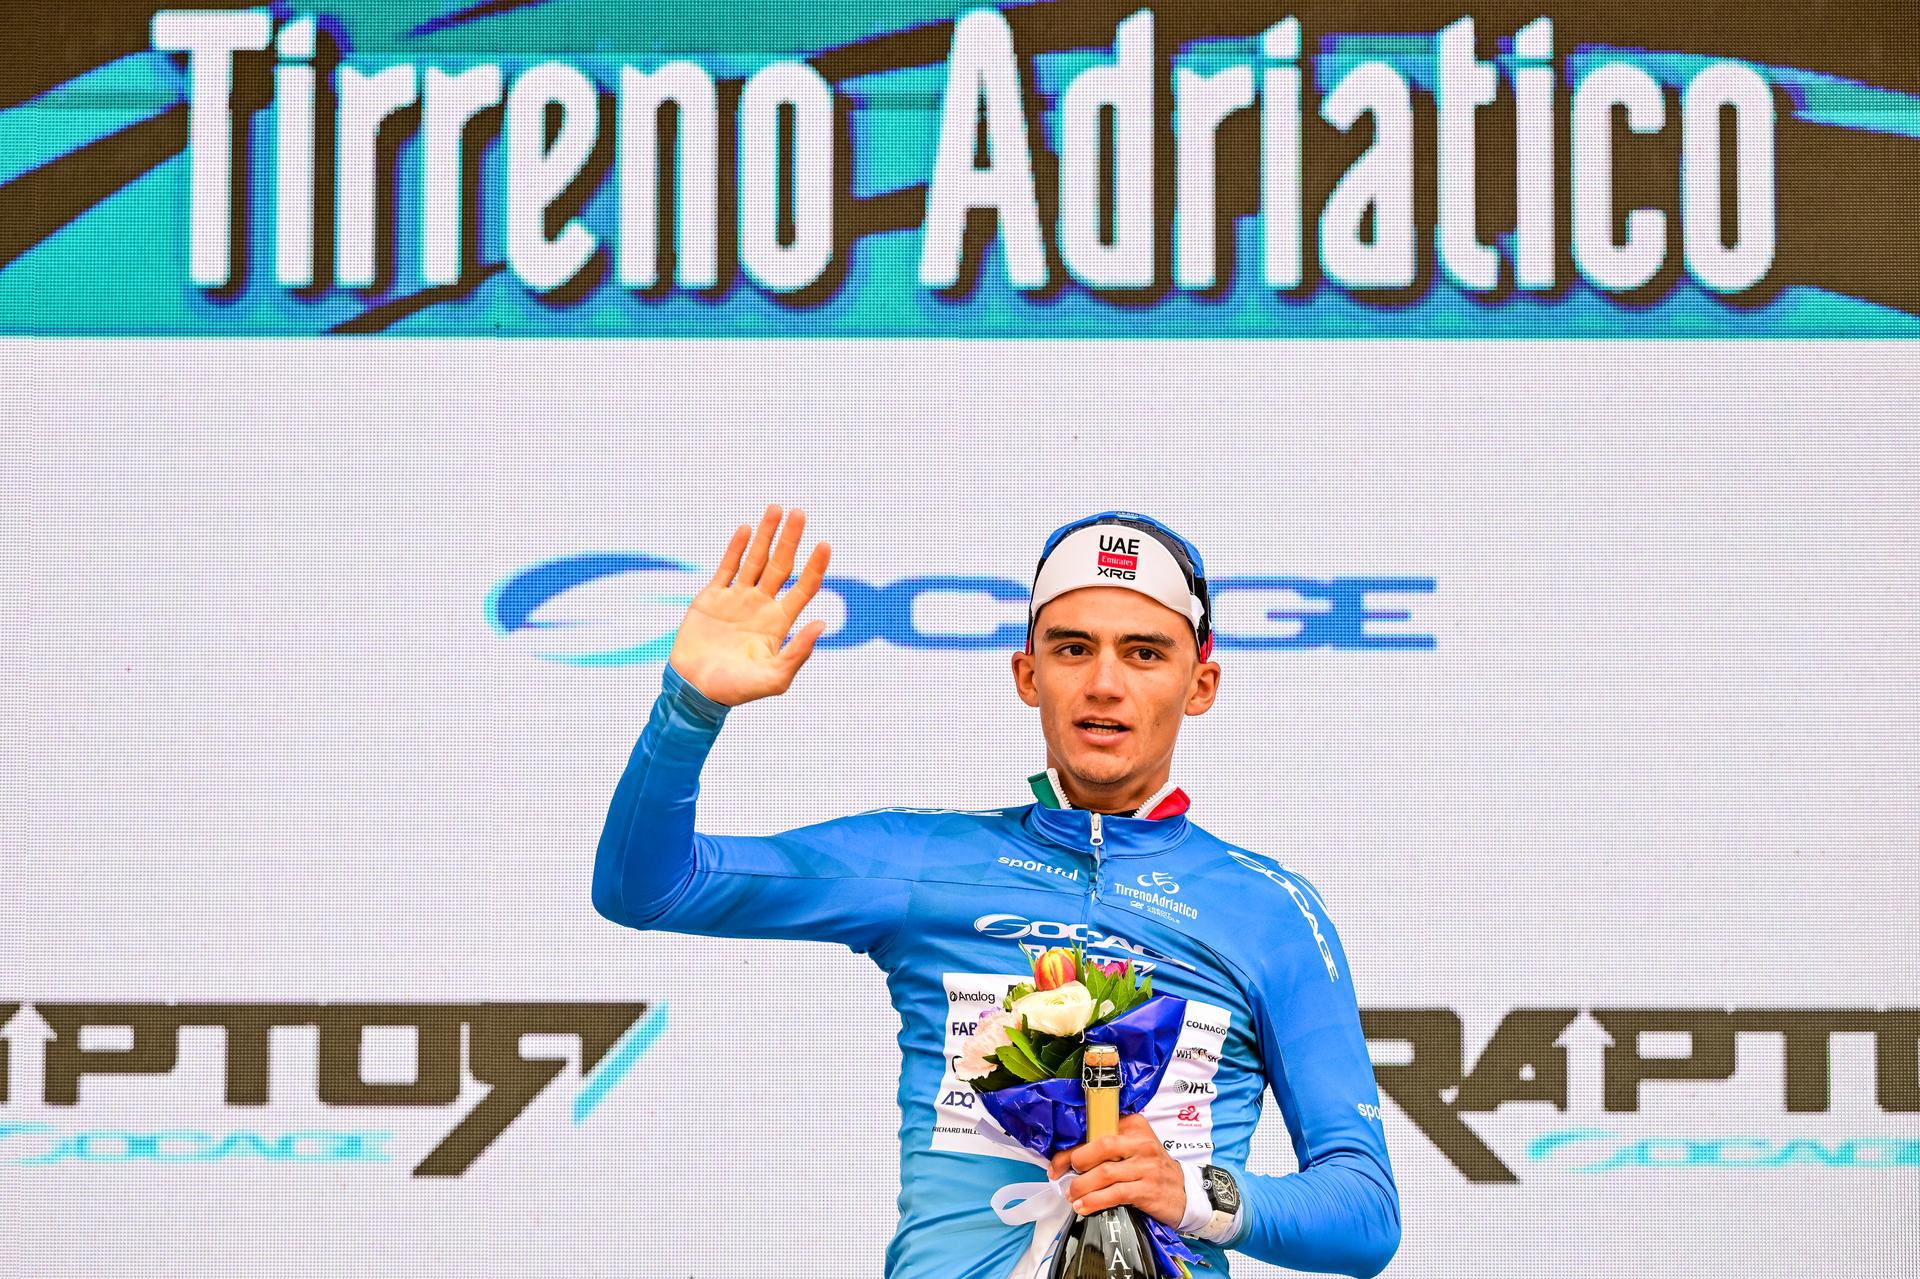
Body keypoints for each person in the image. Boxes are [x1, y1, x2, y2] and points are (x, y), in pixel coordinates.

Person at [593, 504, 1400, 1279]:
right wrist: (689, 706)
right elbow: (651, 887)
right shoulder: (922, 859)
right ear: (1028, 672)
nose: (1106, 683)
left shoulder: (1267, 909)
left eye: (1145, 653)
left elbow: (1365, 1213)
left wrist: (1194, 1195)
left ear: (1202, 682)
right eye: (1073, 648)